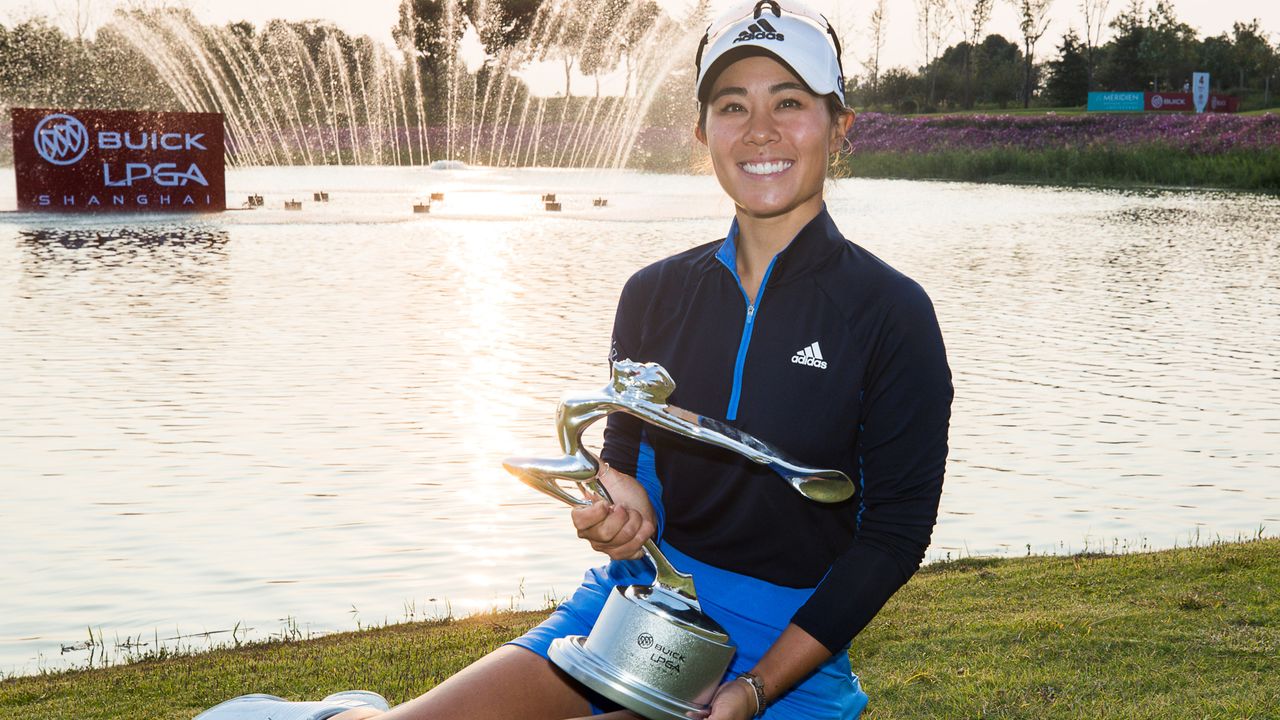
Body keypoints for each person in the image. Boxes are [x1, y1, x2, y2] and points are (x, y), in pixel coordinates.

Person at [200, 2, 950, 719]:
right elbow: (627, 456)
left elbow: (894, 537)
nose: (760, 131)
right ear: (702, 131)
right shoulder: (655, 294)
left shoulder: (890, 313)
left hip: (789, 658)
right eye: (732, 106)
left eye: (788, 102)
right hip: (635, 615)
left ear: (837, 124)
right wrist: (616, 509)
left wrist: (755, 688)